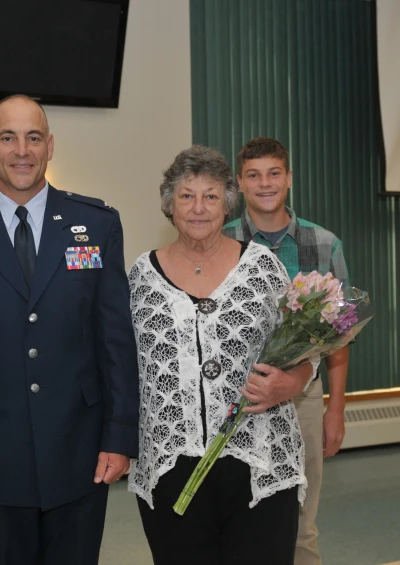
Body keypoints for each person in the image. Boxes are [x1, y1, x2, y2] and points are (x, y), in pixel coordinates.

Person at [0, 94, 139, 565]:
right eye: (8, 137)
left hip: (79, 449)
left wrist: (120, 436)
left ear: (50, 146)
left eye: (33, 137)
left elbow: (116, 340)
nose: (21, 150)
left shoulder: (96, 224)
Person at [128, 145, 314, 565]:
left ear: (227, 204)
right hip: (171, 466)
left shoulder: (262, 267)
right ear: (169, 205)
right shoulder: (141, 275)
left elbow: (306, 350)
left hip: (259, 462)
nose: (198, 208)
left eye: (210, 196)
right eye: (186, 196)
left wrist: (292, 382)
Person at [223, 137, 350, 565]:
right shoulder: (220, 242)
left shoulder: (324, 245)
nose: (265, 183)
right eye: (254, 175)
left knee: (301, 522)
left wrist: (335, 409)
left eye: (274, 173)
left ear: (289, 178)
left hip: (303, 398)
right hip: (238, 400)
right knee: (237, 517)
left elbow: (340, 336)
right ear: (240, 183)